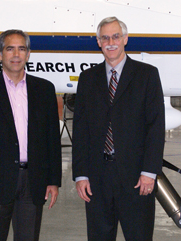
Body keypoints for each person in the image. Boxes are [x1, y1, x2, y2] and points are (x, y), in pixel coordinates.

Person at [72, 17, 165, 241]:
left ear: (125, 39)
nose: (110, 42)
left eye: (115, 36)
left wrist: (149, 172)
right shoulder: (87, 78)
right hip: (97, 179)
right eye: (105, 37)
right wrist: (81, 175)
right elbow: (81, 129)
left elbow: (156, 127)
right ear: (98, 42)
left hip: (137, 178)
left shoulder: (147, 75)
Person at [0, 29, 62, 241]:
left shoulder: (45, 90)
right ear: (0, 54)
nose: (16, 54)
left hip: (33, 183)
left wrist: (54, 180)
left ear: (28, 54)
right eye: (10, 49)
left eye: (21, 49)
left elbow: (52, 140)